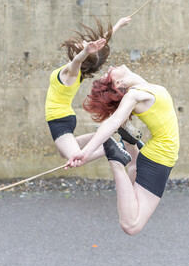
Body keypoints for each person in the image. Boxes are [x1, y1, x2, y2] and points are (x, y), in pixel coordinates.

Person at [67, 65, 179, 235]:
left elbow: (114, 128)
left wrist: (87, 152)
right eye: (108, 73)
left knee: (133, 191)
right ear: (118, 82)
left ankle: (127, 147)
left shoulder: (145, 89)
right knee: (131, 225)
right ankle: (117, 162)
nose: (110, 67)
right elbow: (113, 123)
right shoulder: (134, 95)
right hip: (158, 158)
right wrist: (85, 152)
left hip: (157, 155)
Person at [45, 17, 133, 162]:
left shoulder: (72, 73)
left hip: (59, 120)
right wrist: (119, 24)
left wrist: (86, 51)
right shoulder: (76, 70)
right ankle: (108, 136)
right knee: (63, 152)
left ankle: (111, 148)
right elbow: (101, 42)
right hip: (62, 117)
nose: (85, 43)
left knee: (75, 158)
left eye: (86, 46)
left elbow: (77, 60)